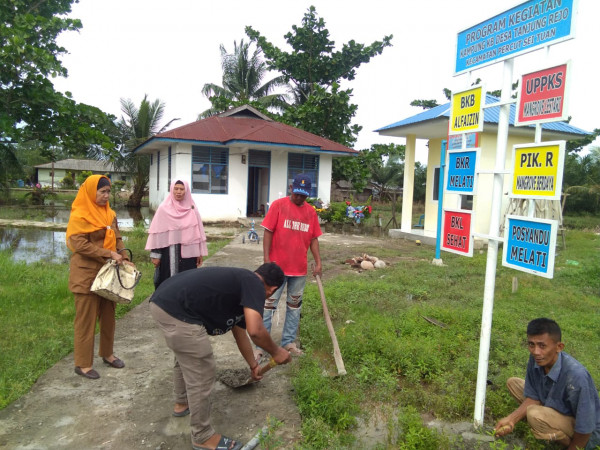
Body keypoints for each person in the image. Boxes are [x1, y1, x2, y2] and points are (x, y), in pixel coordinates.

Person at [149, 263, 292, 450]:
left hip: (163, 302)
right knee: (201, 366)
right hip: (175, 308)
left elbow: (240, 332)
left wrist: (253, 365)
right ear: (272, 289)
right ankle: (202, 436)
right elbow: (255, 331)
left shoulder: (240, 286)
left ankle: (182, 403)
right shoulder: (254, 284)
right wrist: (277, 351)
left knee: (186, 355)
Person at [66, 175, 134, 380]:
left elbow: (118, 238)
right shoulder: (80, 214)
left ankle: (107, 353)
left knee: (108, 316)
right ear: (90, 192)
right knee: (86, 320)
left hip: (109, 274)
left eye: (108, 192)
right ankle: (83, 364)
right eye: (102, 192)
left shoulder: (109, 214)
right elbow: (79, 244)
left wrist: (123, 255)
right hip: (86, 274)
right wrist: (108, 253)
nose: (106, 196)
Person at [494, 318, 600, 449]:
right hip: (553, 404)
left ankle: (561, 437)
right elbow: (533, 397)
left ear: (559, 347)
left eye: (542, 346)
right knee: (513, 383)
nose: (536, 352)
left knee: (534, 414)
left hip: (585, 432)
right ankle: (544, 420)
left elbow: (586, 425)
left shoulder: (576, 375)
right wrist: (511, 420)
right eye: (531, 344)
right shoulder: (536, 359)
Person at [255, 173, 322, 360]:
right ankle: (261, 346)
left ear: (308, 195)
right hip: (275, 269)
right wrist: (266, 259)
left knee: (294, 307)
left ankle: (289, 342)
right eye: (297, 193)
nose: (299, 198)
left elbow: (314, 239)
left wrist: (318, 262)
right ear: (291, 189)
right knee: (268, 306)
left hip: (299, 270)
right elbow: (268, 232)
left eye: (303, 195)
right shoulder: (278, 206)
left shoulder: (311, 212)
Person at [145, 179, 208, 289]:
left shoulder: (192, 209)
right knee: (167, 283)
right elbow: (157, 233)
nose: (178, 192)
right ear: (172, 189)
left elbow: (198, 233)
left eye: (182, 189)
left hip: (188, 255)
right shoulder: (163, 209)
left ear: (186, 191)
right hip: (168, 254)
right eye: (176, 188)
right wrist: (156, 255)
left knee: (187, 283)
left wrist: (199, 253)